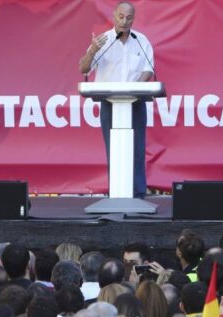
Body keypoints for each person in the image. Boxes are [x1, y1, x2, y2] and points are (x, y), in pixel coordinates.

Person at [78, 1, 155, 199]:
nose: (124, 21)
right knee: (114, 148)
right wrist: (92, 50)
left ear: (133, 18)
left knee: (137, 149)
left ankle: (138, 194)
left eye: (129, 17)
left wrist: (133, 89)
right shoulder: (103, 41)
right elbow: (84, 68)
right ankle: (117, 194)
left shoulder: (141, 41)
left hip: (135, 103)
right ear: (114, 16)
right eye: (121, 16)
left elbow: (148, 69)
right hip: (109, 103)